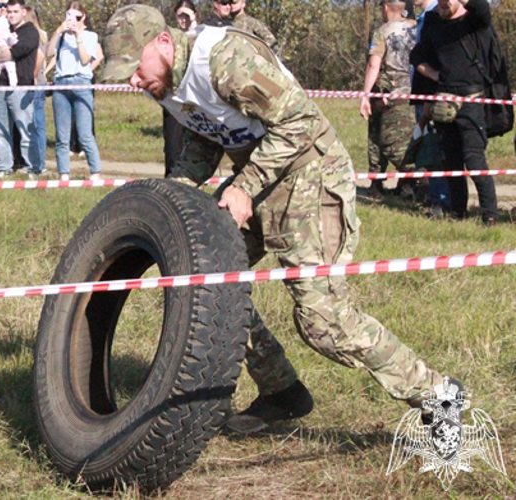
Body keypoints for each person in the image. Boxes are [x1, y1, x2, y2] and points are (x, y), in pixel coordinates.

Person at [102, 5, 454, 433]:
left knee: (324, 322)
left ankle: (440, 396)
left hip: (311, 175)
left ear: (162, 42)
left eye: (134, 68)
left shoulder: (226, 58)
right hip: (260, 178)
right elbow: (206, 138)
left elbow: (298, 123)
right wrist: (170, 196)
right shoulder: (169, 82)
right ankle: (281, 392)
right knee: (209, 282)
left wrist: (245, 186)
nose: (134, 81)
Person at [410, 0, 499, 225]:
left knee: (474, 158)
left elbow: (483, 9)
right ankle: (458, 211)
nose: (441, 4)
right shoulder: (435, 25)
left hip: (472, 102)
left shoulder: (473, 22)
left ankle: (489, 215)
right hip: (444, 103)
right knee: (450, 160)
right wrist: (435, 76)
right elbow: (416, 57)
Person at [359, 0, 417, 199]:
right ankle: (403, 183)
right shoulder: (418, 28)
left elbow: (373, 65)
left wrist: (365, 94)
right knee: (411, 139)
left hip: (389, 93)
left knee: (386, 140)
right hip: (415, 93)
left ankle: (409, 180)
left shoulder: (382, 32)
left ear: (385, 8)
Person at [47, 1, 102, 181]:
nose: (73, 20)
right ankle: (64, 173)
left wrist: (78, 36)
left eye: (77, 17)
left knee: (85, 133)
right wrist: (58, 31)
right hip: (61, 83)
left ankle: (95, 172)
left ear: (83, 17)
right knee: (62, 135)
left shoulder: (91, 36)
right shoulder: (62, 37)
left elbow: (86, 60)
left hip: (81, 83)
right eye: (69, 16)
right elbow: (48, 53)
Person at [0, 0, 41, 178]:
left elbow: (14, 52)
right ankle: (4, 168)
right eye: (8, 11)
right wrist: (0, 51)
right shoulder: (2, 28)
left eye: (15, 11)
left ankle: (33, 168)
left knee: (26, 130)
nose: (11, 15)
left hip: (21, 87)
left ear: (23, 12)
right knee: (1, 131)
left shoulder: (30, 32)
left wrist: (1, 51)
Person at [411, 0, 450, 217]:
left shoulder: (436, 15)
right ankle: (437, 198)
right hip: (423, 95)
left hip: (433, 98)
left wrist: (430, 93)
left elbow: (434, 57)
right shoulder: (424, 16)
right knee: (428, 149)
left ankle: (442, 202)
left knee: (436, 150)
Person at [164, 0, 198, 176]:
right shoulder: (171, 37)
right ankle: (171, 177)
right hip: (174, 97)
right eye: (180, 16)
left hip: (194, 98)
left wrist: (193, 24)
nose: (183, 19)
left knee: (193, 141)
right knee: (172, 144)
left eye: (187, 15)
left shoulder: (200, 35)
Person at [26, 6, 48, 174]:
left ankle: (39, 162)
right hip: (30, 82)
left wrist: (32, 76)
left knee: (36, 123)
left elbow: (40, 57)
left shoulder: (38, 35)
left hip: (36, 83)